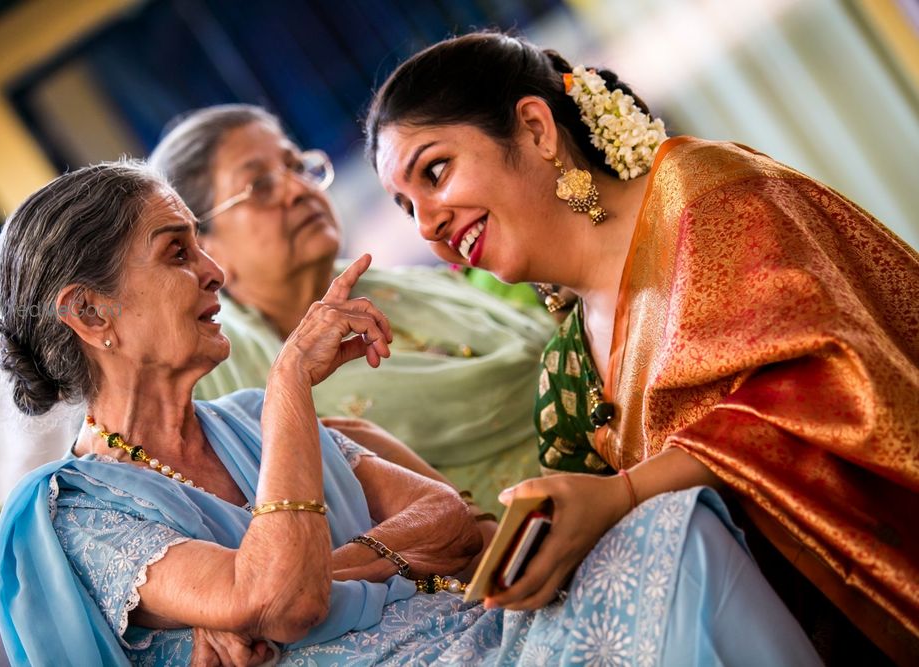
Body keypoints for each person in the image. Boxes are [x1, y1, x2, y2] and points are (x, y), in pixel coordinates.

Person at [0, 161, 819, 665]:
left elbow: (449, 521)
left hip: (472, 636)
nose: (214, 271)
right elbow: (284, 600)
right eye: (177, 251)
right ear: (90, 315)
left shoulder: (247, 422)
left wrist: (332, 563)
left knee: (676, 531)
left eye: (202, 243)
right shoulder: (81, 510)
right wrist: (288, 386)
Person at [365, 29, 919, 663]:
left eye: (435, 171)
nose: (429, 224)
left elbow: (837, 383)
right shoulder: (569, 368)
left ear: (536, 129)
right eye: (406, 207)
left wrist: (627, 492)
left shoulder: (715, 201)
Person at [149, 104, 553, 514]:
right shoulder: (230, 395)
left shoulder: (413, 285)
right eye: (261, 186)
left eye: (296, 167)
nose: (298, 190)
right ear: (204, 246)